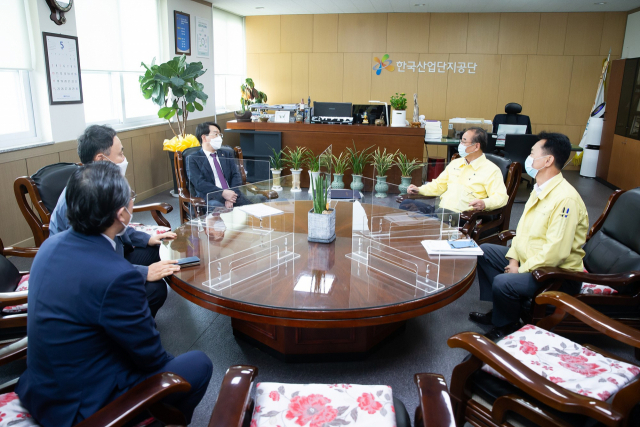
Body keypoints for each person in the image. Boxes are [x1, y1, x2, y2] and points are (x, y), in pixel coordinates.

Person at [15, 162, 213, 426]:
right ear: (122, 214)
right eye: (131, 196)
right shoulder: (118, 276)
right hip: (83, 408)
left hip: (40, 389)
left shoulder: (50, 246)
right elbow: (151, 358)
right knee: (198, 364)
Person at [470, 132, 588, 341]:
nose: (528, 158)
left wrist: (520, 270)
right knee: (484, 251)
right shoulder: (540, 189)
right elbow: (522, 232)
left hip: (555, 273)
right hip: (530, 258)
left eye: (533, 153)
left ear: (548, 160)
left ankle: (507, 325)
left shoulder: (565, 199)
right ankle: (501, 311)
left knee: (503, 282)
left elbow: (556, 253)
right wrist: (513, 258)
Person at [49, 125, 176, 317]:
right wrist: (142, 273)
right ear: (101, 159)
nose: (124, 159)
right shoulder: (82, 195)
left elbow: (112, 227)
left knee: (155, 250)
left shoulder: (100, 182)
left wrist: (147, 238)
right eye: (121, 153)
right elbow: (89, 262)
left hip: (107, 254)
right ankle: (127, 331)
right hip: (83, 275)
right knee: (154, 290)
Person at [401, 127, 508, 216]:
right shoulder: (456, 163)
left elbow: (501, 197)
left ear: (476, 146)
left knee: (421, 222)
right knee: (406, 204)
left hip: (462, 216)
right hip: (441, 210)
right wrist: (419, 189)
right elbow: (439, 185)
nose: (460, 144)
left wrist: (484, 203)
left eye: (464, 141)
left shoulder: (491, 170)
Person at [188, 122, 266, 208]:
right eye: (215, 134)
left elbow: (235, 175)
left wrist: (231, 196)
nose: (219, 138)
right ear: (204, 138)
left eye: (220, 135)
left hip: (233, 195)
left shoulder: (226, 154)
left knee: (261, 201)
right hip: (211, 198)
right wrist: (223, 193)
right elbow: (199, 183)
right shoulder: (193, 158)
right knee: (218, 208)